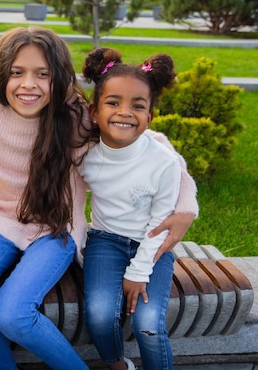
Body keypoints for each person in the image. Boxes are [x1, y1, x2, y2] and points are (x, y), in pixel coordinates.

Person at [0, 26, 94, 370]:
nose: (28, 84)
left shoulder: (75, 119)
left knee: (11, 314)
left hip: (56, 228)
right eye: (17, 72)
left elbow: (133, 144)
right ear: (1, 72)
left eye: (42, 74)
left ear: (58, 78)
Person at [79, 48, 199, 370]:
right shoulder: (85, 157)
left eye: (138, 105)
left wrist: (138, 271)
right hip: (104, 241)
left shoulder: (163, 162)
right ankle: (118, 364)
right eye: (113, 102)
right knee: (101, 315)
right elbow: (71, 201)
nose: (125, 112)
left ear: (150, 117)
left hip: (153, 246)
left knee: (147, 323)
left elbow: (161, 223)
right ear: (94, 111)